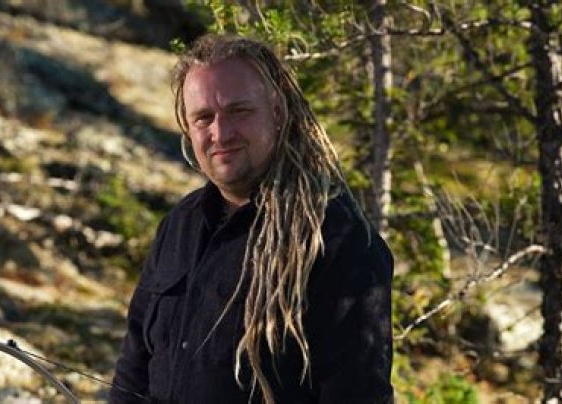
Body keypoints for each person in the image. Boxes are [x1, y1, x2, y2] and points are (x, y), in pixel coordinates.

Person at [110, 34, 393, 404]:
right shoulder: (180, 225)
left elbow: (357, 395)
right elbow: (134, 364)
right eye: (203, 118)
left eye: (239, 111)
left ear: (277, 113)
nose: (221, 133)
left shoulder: (337, 239)